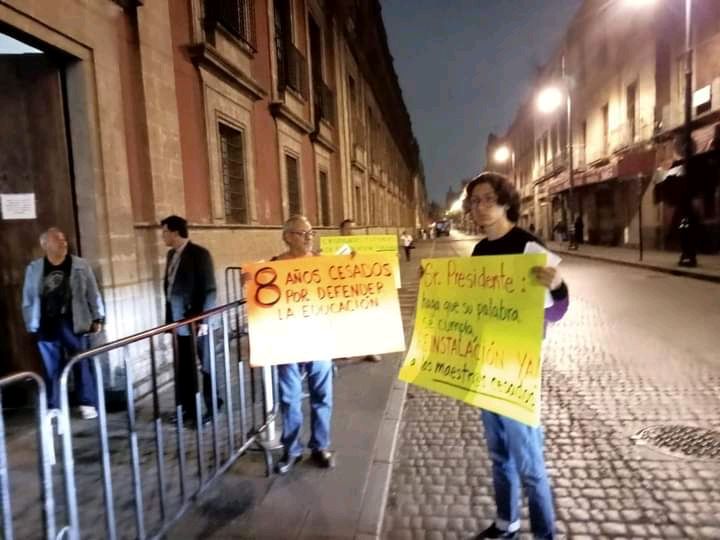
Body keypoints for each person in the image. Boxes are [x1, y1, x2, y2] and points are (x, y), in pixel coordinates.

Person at [463, 173, 569, 540]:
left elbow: (556, 312)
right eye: (474, 201)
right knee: (498, 455)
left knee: (529, 463)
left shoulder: (529, 248)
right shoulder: (479, 251)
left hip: (517, 368)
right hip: (485, 364)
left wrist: (554, 287)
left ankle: (544, 534)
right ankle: (506, 523)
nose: (479, 207)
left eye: (487, 199)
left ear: (506, 201)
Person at [272, 215, 335, 474]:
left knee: (323, 396)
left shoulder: (323, 263)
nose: (310, 237)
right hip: (287, 342)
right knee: (289, 398)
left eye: (311, 232)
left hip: (319, 339)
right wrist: (250, 282)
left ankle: (320, 446)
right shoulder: (273, 267)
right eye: (302, 233)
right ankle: (292, 449)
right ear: (287, 237)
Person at [22, 227, 104, 419]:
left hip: (73, 321)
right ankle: (54, 405)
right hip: (46, 323)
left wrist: (98, 316)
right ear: (45, 245)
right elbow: (28, 297)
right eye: (57, 240)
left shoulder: (80, 265)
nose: (63, 243)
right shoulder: (34, 268)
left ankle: (87, 402)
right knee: (51, 366)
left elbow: (93, 293)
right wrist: (30, 322)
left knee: (81, 361)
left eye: (64, 240)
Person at [161, 215, 220, 426]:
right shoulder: (171, 255)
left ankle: (212, 408)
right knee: (183, 366)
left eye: (165, 232)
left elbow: (209, 289)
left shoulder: (199, 254)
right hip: (178, 322)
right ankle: (186, 407)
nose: (163, 236)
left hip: (198, 321)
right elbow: (171, 288)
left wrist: (204, 319)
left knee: (206, 366)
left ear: (176, 232)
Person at [337, 218, 380, 362]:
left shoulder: (365, 247)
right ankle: (346, 349)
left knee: (367, 320)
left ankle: (370, 350)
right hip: (342, 291)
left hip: (362, 290)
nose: (351, 232)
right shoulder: (336, 248)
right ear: (341, 231)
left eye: (354, 229)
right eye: (348, 229)